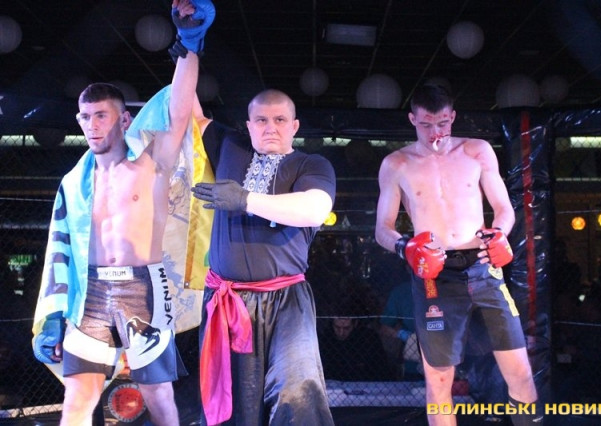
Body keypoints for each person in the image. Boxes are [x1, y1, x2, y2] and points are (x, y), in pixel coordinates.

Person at [30, 1, 215, 425]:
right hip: (91, 292)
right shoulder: (74, 185)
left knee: (159, 398)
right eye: (85, 117)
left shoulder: (150, 165)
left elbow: (179, 112)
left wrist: (189, 44)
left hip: (143, 288)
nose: (92, 125)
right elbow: (60, 251)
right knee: (78, 399)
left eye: (101, 115)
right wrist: (54, 314)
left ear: (124, 120)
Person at [374, 84, 540, 426]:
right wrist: (405, 246)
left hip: (483, 267)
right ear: (413, 119)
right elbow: (382, 229)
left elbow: (504, 210)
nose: (435, 133)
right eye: (426, 124)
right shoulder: (397, 163)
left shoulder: (477, 151)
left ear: (453, 117)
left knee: (521, 372)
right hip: (434, 275)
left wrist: (499, 233)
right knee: (438, 382)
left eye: (443, 123)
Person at [191, 89, 336, 425]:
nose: (271, 127)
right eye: (261, 120)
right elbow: (190, 114)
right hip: (229, 303)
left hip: (286, 302)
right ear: (249, 125)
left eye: (280, 120)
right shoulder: (230, 146)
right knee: (234, 401)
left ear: (294, 126)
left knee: (297, 393)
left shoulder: (312, 164)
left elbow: (315, 209)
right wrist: (186, 60)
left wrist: (244, 199)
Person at [319, 316, 392, 382]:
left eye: (346, 328)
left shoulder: (368, 339)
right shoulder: (325, 338)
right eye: (337, 327)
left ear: (355, 324)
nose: (341, 333)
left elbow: (380, 368)